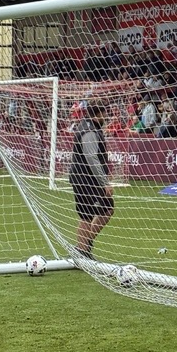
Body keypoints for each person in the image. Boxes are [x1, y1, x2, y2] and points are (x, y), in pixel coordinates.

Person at [69, 102, 115, 259]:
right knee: (87, 215)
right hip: (85, 179)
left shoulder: (88, 126)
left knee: (107, 209)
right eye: (104, 113)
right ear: (99, 113)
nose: (106, 117)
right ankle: (82, 252)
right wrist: (104, 182)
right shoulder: (89, 130)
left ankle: (84, 246)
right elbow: (91, 158)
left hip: (87, 178)